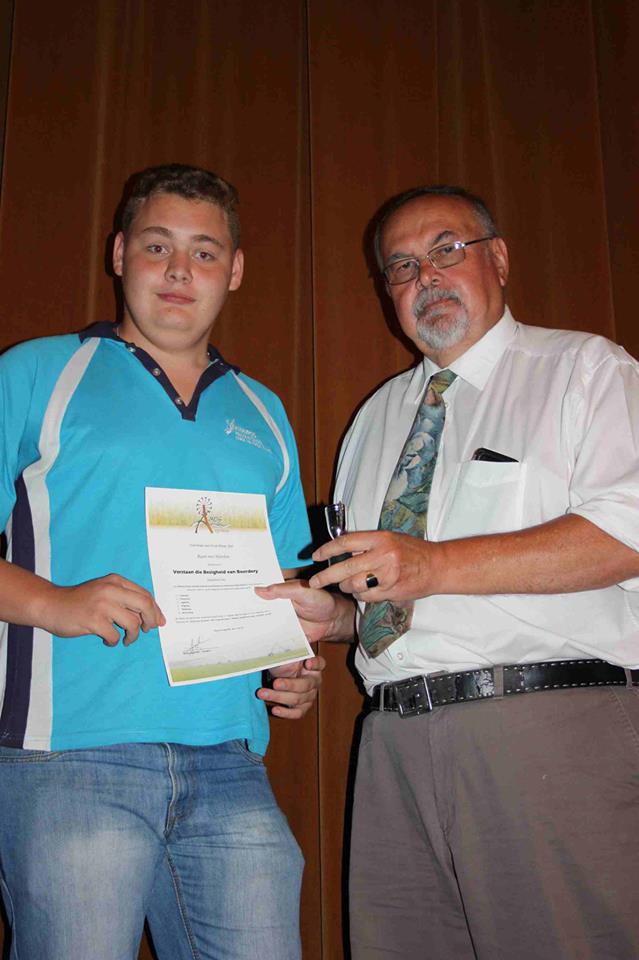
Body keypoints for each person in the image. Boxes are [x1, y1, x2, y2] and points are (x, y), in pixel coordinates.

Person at [260, 185, 639, 959]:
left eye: (445, 250)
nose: (424, 276)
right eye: (401, 266)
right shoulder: (374, 418)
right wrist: (335, 619)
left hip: (547, 728)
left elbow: (626, 534)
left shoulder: (583, 368)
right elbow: (391, 590)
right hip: (391, 743)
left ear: (497, 259)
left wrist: (432, 564)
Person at [0, 163, 324, 960]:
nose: (180, 271)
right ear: (119, 255)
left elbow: (283, 588)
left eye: (204, 253)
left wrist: (292, 661)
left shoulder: (265, 411)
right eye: (157, 246)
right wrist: (53, 603)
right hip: (68, 757)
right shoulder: (37, 371)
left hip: (231, 764)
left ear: (234, 270)